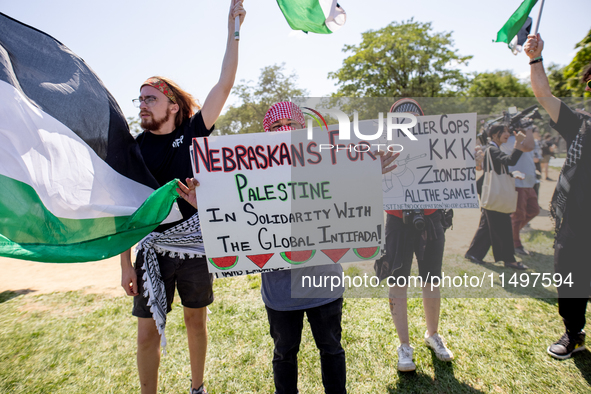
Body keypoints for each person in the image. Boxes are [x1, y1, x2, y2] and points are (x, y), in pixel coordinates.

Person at [119, 2, 246, 393]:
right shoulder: (133, 148)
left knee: (196, 322)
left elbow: (224, 82)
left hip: (195, 245)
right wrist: (125, 265)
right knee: (145, 335)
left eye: (150, 98)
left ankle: (197, 388)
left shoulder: (193, 130)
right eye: (139, 99)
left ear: (172, 105)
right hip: (151, 249)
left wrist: (233, 29)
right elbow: (122, 210)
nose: (142, 104)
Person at [258, 101, 398, 394]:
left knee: (331, 348)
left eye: (292, 125)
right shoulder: (256, 175)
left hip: (323, 280)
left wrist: (369, 176)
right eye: (275, 127)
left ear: (304, 129)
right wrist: (206, 202)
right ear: (265, 133)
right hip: (280, 289)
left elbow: (348, 198)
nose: (284, 131)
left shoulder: (327, 163)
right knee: (284, 353)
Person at [373, 98, 454, 372]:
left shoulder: (436, 145)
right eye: (401, 119)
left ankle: (433, 334)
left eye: (414, 118)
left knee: (431, 279)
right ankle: (404, 345)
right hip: (397, 221)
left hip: (431, 219)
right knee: (398, 281)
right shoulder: (382, 148)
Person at [524, 33, 591, 360]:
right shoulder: (580, 125)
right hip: (575, 225)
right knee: (570, 284)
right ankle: (573, 334)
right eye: (590, 82)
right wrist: (535, 58)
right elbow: (544, 95)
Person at [465, 124, 529, 270]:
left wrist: (512, 174)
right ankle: (509, 260)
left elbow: (497, 170)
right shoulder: (492, 149)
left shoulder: (490, 149)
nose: (507, 134)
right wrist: (518, 144)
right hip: (494, 193)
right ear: (494, 135)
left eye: (507, 131)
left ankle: (474, 254)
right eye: (504, 132)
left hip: (490, 192)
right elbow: (510, 161)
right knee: (503, 226)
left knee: (487, 226)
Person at [500, 125, 538, 256]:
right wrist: (528, 128)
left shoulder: (524, 137)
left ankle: (510, 234)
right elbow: (529, 147)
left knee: (534, 210)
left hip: (528, 182)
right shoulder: (511, 139)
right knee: (518, 216)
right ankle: (515, 244)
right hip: (517, 182)